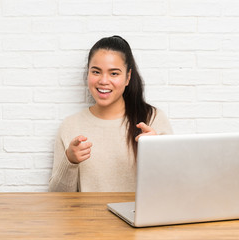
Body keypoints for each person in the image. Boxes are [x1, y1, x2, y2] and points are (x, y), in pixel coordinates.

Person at [49, 36, 173, 192]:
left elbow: (172, 188)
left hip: (138, 216)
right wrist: (70, 162)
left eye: (114, 73)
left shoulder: (153, 119)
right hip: (88, 216)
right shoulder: (70, 126)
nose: (104, 81)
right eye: (96, 72)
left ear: (128, 77)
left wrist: (158, 152)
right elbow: (57, 199)